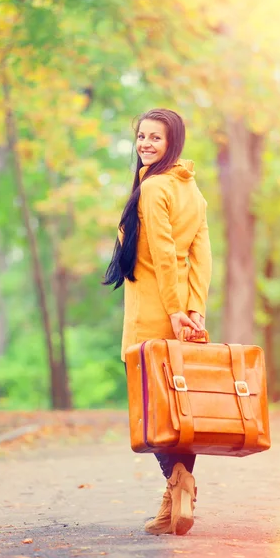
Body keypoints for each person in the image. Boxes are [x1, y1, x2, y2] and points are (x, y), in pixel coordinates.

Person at [104, 108, 212, 536]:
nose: (146, 144)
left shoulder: (155, 188)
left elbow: (165, 255)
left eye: (156, 138)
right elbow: (200, 256)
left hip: (155, 313)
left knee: (154, 410)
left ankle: (178, 483)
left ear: (173, 145)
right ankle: (173, 502)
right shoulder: (192, 190)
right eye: (142, 136)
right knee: (180, 408)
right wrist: (194, 309)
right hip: (185, 314)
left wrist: (172, 311)